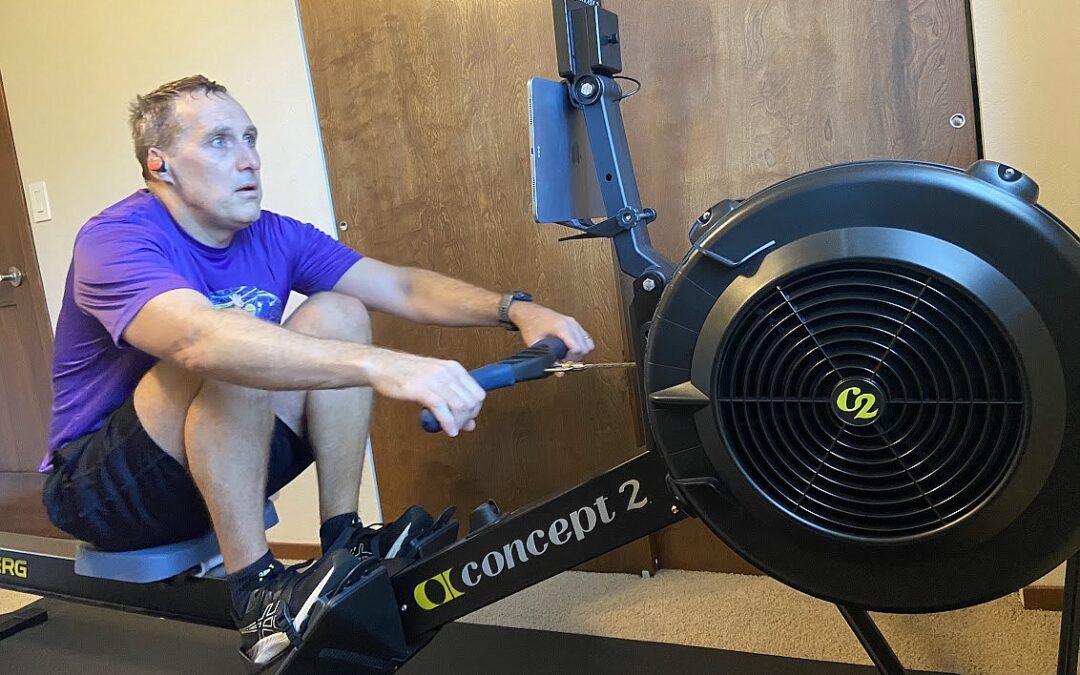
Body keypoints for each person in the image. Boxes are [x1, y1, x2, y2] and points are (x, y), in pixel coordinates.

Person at [40, 75, 594, 664]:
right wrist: (385, 366)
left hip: (210, 466)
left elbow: (401, 287)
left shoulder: (274, 234)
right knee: (234, 343)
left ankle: (342, 536)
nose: (249, 159)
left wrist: (516, 309)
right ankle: (256, 592)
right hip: (102, 493)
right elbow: (201, 340)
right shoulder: (115, 238)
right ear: (161, 164)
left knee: (340, 312)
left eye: (250, 138)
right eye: (220, 142)